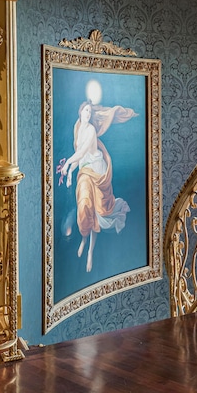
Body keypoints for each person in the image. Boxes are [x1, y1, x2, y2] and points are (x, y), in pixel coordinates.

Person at [60, 100, 138, 273]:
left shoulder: (90, 130)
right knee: (84, 206)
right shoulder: (77, 128)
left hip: (97, 171)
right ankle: (83, 237)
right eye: (85, 111)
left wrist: (67, 167)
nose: (87, 114)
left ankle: (90, 251)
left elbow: (81, 152)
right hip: (85, 171)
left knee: (97, 210)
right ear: (80, 112)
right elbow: (79, 157)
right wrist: (71, 172)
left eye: (89, 111)